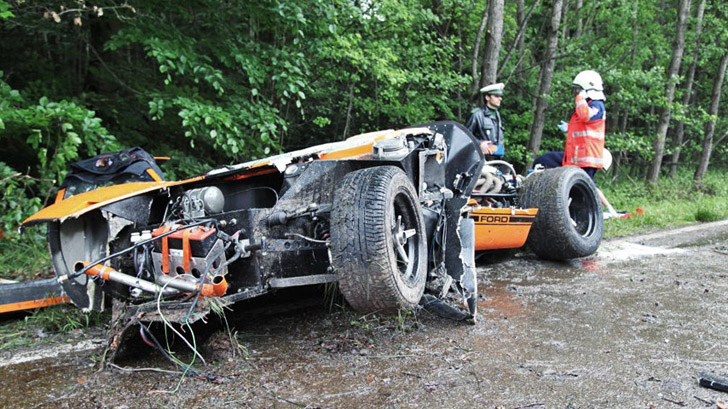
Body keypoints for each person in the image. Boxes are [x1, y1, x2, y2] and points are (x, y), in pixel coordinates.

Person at [466, 82, 505, 157]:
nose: (500, 98)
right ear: (487, 97)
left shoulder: (497, 115)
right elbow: (465, 136)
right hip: (480, 160)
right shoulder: (477, 115)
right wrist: (479, 144)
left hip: (496, 160)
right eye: (496, 96)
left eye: (500, 96)